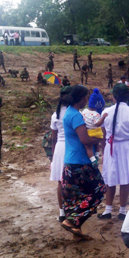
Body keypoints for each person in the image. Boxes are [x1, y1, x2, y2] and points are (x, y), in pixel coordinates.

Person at [60, 85, 105, 240]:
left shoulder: (68, 113)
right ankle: (71, 221)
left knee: (75, 197)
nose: (86, 100)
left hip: (70, 161)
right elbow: (84, 139)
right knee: (99, 189)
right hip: (80, 162)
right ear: (80, 99)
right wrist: (98, 139)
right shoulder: (76, 116)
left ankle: (76, 231)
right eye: (85, 97)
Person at [100, 83, 129, 220]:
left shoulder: (106, 112)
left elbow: (103, 135)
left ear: (114, 97)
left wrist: (103, 152)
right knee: (125, 179)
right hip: (127, 147)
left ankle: (108, 210)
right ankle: (122, 211)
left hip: (111, 147)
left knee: (110, 179)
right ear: (128, 96)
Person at [51, 86, 71, 222]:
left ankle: (62, 211)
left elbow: (53, 138)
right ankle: (72, 209)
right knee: (72, 180)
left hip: (59, 148)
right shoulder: (74, 114)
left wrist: (53, 158)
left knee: (60, 181)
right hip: (71, 147)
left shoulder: (55, 115)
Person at [81, 89, 108, 162]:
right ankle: (96, 155)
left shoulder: (84, 111)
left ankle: (92, 160)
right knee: (97, 144)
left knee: (88, 147)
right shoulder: (96, 114)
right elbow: (98, 124)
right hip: (95, 132)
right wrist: (103, 118)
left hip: (86, 132)